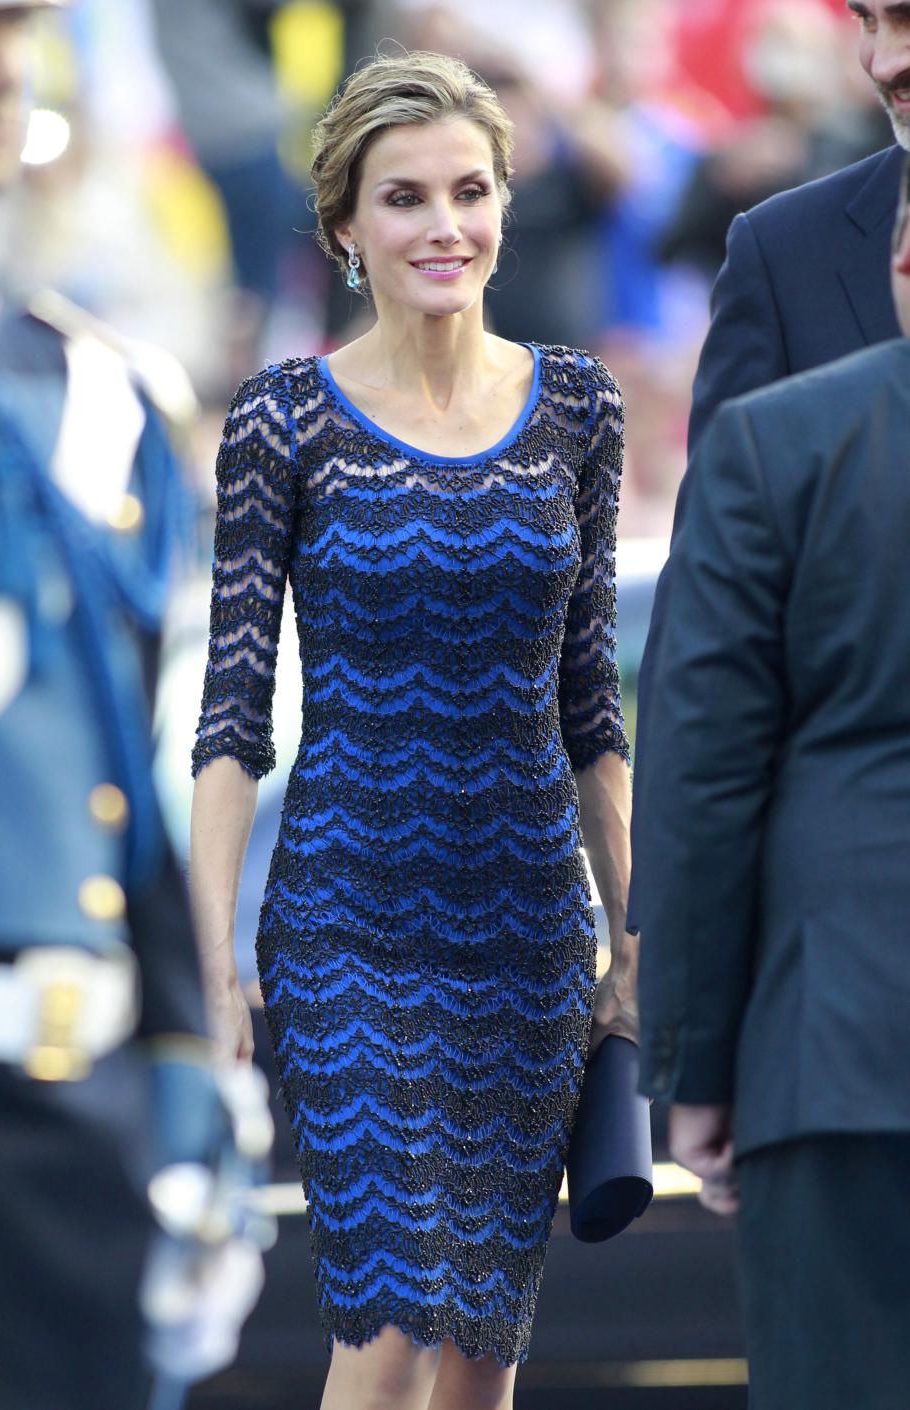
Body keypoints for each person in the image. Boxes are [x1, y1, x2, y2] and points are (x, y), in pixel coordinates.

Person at [190, 49, 637, 1410]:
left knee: (480, 1358)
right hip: (346, 928)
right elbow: (230, 714)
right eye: (404, 198)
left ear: (506, 202)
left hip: (528, 940)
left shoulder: (579, 406)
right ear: (346, 228)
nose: (445, 225)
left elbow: (590, 709)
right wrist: (211, 961)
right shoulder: (283, 419)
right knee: (386, 1324)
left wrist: (636, 939)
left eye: (469, 190)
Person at [0, 6, 271, 1407]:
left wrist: (191, 1077)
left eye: (3, 65)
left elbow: (140, 778)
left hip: (64, 1096)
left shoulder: (93, 395)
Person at [634, 154, 910, 1410]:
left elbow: (705, 762)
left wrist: (693, 1059)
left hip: (839, 1047)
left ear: (897, 263)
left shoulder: (780, 444)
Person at [628, 0, 909, 933]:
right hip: (852, 950)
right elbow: (708, 629)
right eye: (867, 21)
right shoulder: (790, 254)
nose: (882, 60)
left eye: (907, 18)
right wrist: (675, 974)